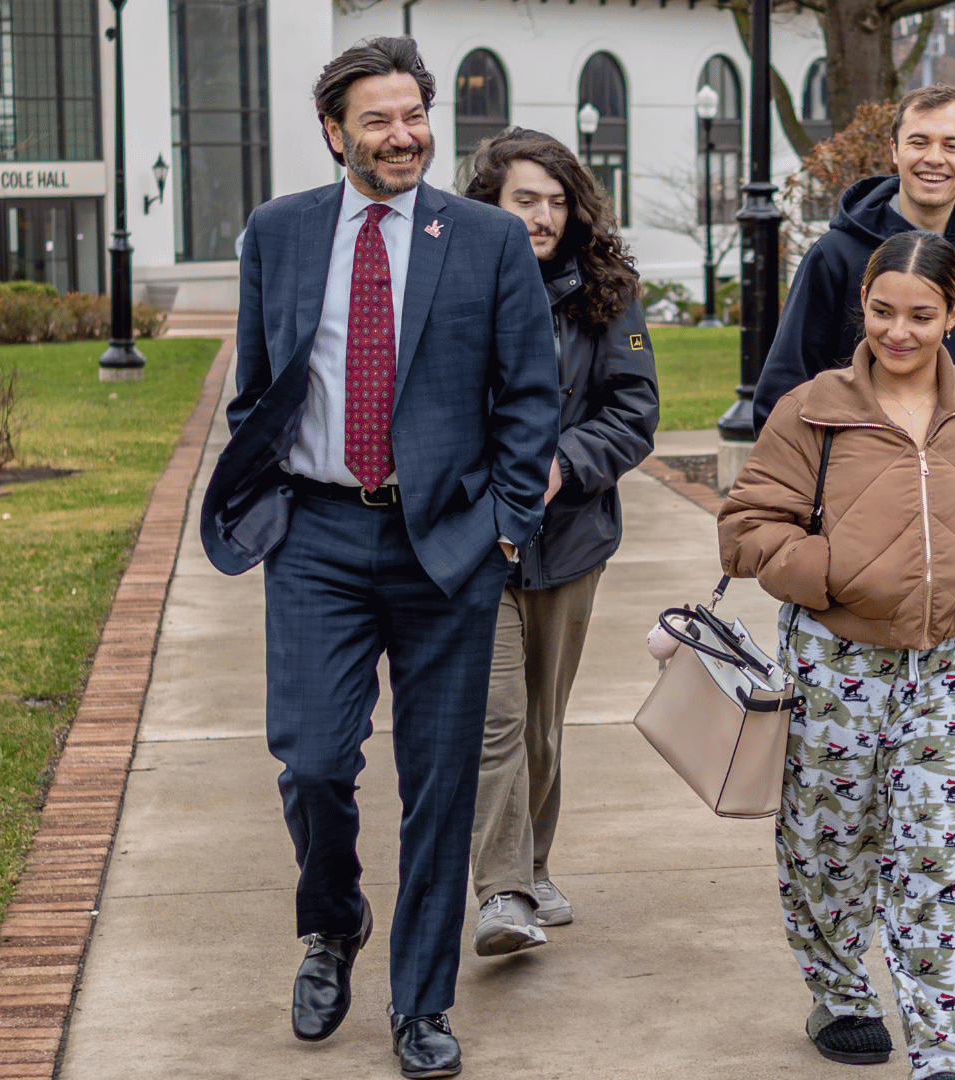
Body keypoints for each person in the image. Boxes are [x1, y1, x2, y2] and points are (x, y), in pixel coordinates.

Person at [197, 37, 559, 1079]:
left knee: (441, 786)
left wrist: (501, 526)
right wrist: (264, 495)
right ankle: (334, 920)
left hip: (446, 539)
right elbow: (259, 382)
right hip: (315, 536)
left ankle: (420, 1003)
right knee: (312, 763)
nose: (403, 136)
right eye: (378, 120)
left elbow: (531, 394)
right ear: (334, 131)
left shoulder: (486, 238)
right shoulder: (277, 232)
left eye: (414, 115)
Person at [719, 231, 955, 1080]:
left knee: (938, 856)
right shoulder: (812, 409)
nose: (900, 332)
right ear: (862, 307)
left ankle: (946, 1049)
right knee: (831, 844)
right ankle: (841, 989)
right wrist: (829, 575)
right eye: (883, 311)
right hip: (838, 665)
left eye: (922, 315)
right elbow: (746, 525)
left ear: (954, 315)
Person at [458, 128, 659, 955]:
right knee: (496, 719)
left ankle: (534, 866)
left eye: (555, 199)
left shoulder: (608, 291)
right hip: (473, 541)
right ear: (489, 204)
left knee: (542, 721)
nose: (542, 216)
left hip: (570, 539)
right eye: (524, 199)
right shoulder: (452, 283)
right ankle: (501, 892)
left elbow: (633, 413)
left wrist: (564, 464)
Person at [751, 84, 955, 483]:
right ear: (893, 149)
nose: (934, 158)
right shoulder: (835, 257)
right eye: (918, 142)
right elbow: (783, 392)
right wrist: (818, 494)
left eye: (952, 146)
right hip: (855, 502)